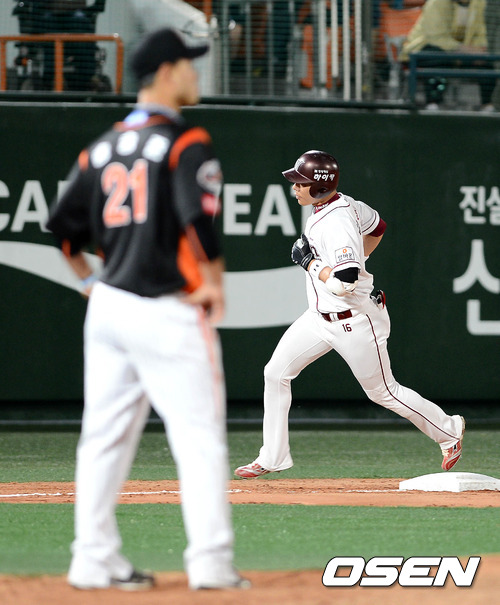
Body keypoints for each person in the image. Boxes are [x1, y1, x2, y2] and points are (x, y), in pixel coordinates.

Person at [46, 27, 249, 591]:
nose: (194, 73)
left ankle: (92, 559)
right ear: (165, 72)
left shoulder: (101, 146)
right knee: (199, 438)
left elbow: (62, 231)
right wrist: (214, 282)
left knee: (102, 439)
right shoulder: (185, 141)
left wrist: (90, 282)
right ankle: (210, 563)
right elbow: (198, 219)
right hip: (166, 309)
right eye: (187, 64)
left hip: (110, 308)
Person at [234, 150, 465, 480]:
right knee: (276, 373)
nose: (294, 187)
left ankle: (449, 430)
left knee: (383, 392)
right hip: (319, 318)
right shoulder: (345, 205)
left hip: (354, 320)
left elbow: (344, 283)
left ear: (319, 186)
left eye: (301, 182)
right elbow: (378, 226)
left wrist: (310, 262)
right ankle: (273, 456)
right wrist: (357, 256)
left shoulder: (337, 221)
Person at [400, 0, 496, 110]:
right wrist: (463, 49)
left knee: (485, 61)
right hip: (425, 49)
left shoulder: (480, 3)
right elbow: (436, 37)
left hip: (461, 53)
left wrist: (478, 50)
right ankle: (433, 102)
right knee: (436, 57)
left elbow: (481, 33)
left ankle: (487, 104)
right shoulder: (436, 3)